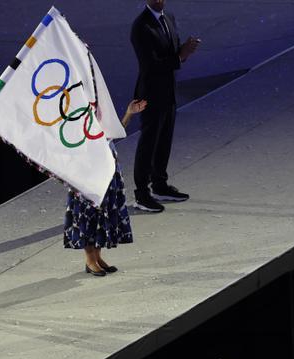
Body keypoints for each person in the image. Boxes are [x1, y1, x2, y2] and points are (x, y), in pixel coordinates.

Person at [130, 0, 200, 212]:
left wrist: (183, 52)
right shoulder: (141, 27)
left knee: (164, 139)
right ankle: (142, 194)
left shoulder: (168, 18)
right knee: (149, 142)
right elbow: (151, 65)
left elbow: (170, 54)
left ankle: (159, 185)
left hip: (168, 91)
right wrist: (180, 55)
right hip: (150, 94)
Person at [64, 100, 142, 276]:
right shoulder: (75, 121)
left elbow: (114, 133)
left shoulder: (98, 117)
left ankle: (97, 257)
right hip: (87, 177)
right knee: (87, 218)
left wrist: (129, 113)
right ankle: (90, 260)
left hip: (108, 174)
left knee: (102, 217)